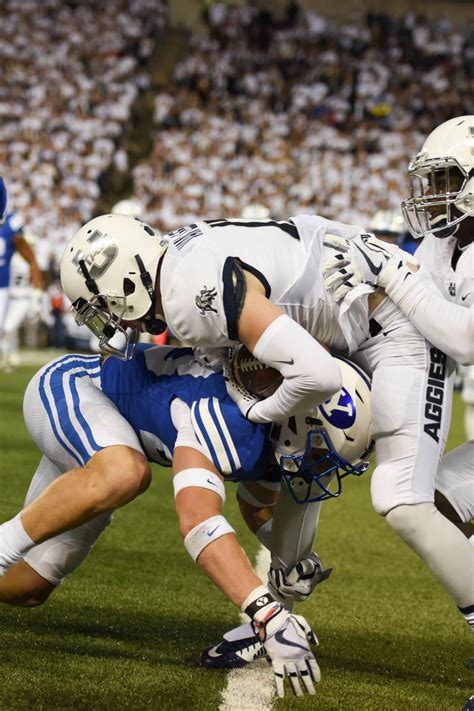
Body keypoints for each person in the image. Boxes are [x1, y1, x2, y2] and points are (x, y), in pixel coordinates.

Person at [58, 207, 474, 640]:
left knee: (402, 498)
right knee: (302, 455)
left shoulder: (185, 299)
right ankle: (277, 624)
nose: (115, 322)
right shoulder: (179, 256)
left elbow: (320, 376)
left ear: (127, 281)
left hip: (388, 330)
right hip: (348, 318)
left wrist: (257, 410)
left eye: (106, 306)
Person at [0, 344, 372, 697]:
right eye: (321, 454)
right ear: (298, 419)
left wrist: (287, 555)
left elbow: (256, 506)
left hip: (107, 439)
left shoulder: (272, 429)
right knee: (126, 473)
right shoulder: (231, 416)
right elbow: (197, 521)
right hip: (80, 388)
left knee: (26, 588)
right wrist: (267, 613)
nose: (320, 467)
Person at [322, 115, 474, 629]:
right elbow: (412, 322)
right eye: (430, 180)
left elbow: (462, 340)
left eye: (446, 179)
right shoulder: (444, 244)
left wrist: (388, 271)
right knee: (430, 503)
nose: (432, 193)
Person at [0, 189, 43, 366]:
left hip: (11, 291)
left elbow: (33, 262)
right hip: (9, 290)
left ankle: (8, 355)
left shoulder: (12, 227)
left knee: (6, 328)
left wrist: (36, 295)